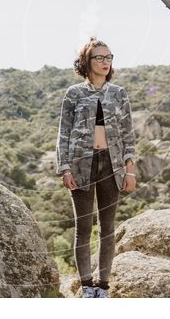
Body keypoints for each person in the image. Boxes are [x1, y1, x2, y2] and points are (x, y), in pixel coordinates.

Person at [55, 37, 137, 298]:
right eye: (99, 58)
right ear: (86, 62)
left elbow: (128, 134)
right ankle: (87, 285)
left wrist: (130, 170)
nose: (105, 62)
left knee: (108, 228)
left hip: (112, 166)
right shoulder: (74, 94)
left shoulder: (119, 94)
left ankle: (102, 286)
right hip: (81, 166)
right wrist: (65, 169)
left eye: (109, 57)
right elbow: (63, 133)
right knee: (83, 228)